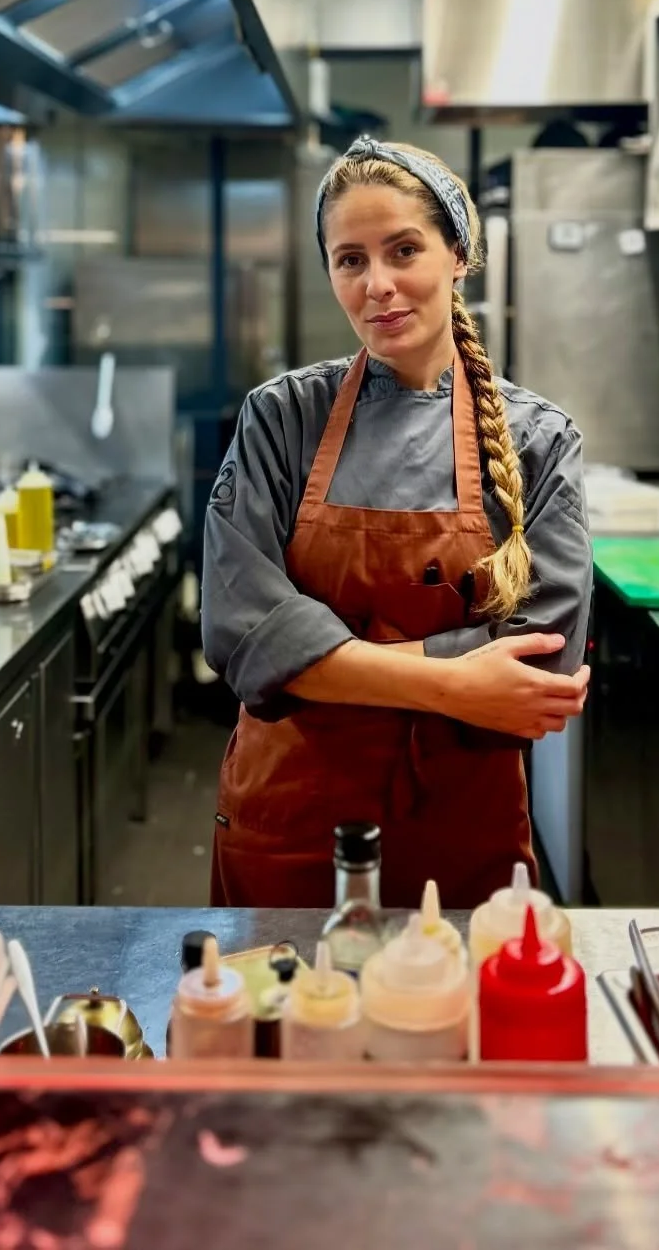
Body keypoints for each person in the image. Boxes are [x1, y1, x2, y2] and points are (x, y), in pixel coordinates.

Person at [203, 134, 592, 908]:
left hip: (461, 835)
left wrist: (317, 663)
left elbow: (538, 669)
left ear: (457, 255)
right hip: (291, 829)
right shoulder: (282, 419)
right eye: (350, 260)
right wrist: (455, 680)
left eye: (402, 249)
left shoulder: (538, 440)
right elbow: (241, 636)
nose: (378, 284)